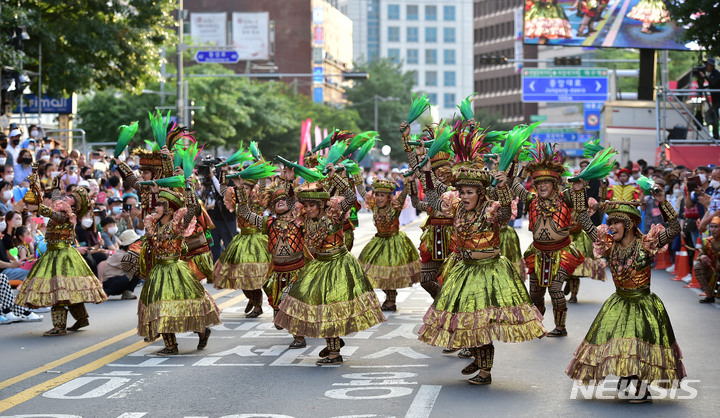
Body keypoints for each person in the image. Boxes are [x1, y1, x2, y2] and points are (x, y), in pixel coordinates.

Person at [416, 143, 546, 385]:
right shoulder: (456, 207)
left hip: (490, 271)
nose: (464, 197)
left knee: (481, 322)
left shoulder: (491, 209)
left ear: (481, 194)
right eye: (461, 192)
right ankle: (479, 359)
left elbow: (506, 215)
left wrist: (506, 187)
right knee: (464, 319)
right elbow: (434, 199)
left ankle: (485, 371)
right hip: (464, 269)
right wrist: (425, 173)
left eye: (469, 192)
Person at [566, 180, 685, 403]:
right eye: (609, 222)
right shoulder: (608, 244)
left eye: (615, 223)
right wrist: (579, 192)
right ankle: (626, 375)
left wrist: (663, 203)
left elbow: (675, 229)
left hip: (643, 302)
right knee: (618, 341)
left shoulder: (647, 243)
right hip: (619, 300)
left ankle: (640, 384)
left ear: (629, 224)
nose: (609, 226)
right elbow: (585, 222)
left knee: (638, 343)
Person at [273, 167, 386, 365]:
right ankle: (334, 343)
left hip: (339, 264)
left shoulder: (334, 214)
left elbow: (350, 198)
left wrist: (336, 178)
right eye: (305, 206)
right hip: (320, 263)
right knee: (315, 305)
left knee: (329, 307)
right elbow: (291, 205)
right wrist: (289, 182)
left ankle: (334, 354)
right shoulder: (306, 218)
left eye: (312, 206)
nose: (308, 209)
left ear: (322, 204)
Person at [511, 144, 584, 337]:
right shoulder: (531, 200)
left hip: (562, 252)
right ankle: (538, 323)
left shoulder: (566, 197)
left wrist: (579, 188)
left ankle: (561, 327)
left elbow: (580, 204)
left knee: (555, 289)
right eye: (539, 183)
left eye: (547, 183)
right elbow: (514, 186)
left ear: (555, 184)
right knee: (535, 294)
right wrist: (519, 167)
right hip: (537, 253)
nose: (542, 186)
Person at [138, 188, 221, 355]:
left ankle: (202, 331)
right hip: (158, 272)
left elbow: (193, 211)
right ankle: (171, 345)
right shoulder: (154, 226)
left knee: (186, 307)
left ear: (169, 211)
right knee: (160, 308)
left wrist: (190, 191)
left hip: (176, 270)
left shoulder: (176, 226)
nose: (155, 207)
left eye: (160, 205)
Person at [15, 186, 107, 336]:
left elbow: (49, 212)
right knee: (68, 291)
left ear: (74, 205)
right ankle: (82, 319)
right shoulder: (63, 210)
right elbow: (56, 200)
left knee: (58, 291)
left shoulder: (65, 215)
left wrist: (38, 206)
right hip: (57, 254)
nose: (66, 197)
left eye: (70, 197)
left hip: (60, 256)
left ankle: (59, 327)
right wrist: (56, 185)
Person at [236, 168, 306, 332]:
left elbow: (295, 200)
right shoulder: (268, 223)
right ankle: (281, 315)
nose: (280, 201)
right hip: (276, 273)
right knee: (278, 320)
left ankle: (298, 337)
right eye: (276, 201)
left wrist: (289, 182)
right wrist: (240, 189)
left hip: (297, 271)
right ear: (272, 207)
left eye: (283, 199)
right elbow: (245, 211)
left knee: (292, 304)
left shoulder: (299, 221)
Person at [356, 177, 421, 311]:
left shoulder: (395, 207)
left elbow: (404, 193)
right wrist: (357, 180)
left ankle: (391, 300)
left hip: (394, 242)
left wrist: (409, 181)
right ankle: (389, 295)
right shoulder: (374, 205)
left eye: (382, 196)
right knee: (369, 271)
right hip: (379, 241)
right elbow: (362, 193)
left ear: (389, 197)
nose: (379, 198)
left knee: (390, 273)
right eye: (377, 195)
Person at [214, 173, 271, 318]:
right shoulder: (237, 200)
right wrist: (222, 174)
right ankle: (251, 299)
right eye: (242, 188)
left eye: (246, 188)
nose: (243, 190)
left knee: (254, 275)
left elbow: (263, 188)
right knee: (239, 274)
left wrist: (262, 171)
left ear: (252, 189)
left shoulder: (257, 199)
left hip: (257, 239)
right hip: (242, 238)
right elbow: (223, 191)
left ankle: (258, 305)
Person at [99, 229, 142, 300]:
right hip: (111, 282)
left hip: (122, 279)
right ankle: (105, 293)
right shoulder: (120, 255)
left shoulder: (130, 253)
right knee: (125, 278)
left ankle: (127, 292)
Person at [694, 216, 720, 303]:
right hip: (713, 272)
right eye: (711, 227)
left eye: (716, 227)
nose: (713, 229)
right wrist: (702, 257)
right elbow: (699, 257)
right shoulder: (707, 242)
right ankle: (709, 295)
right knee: (698, 265)